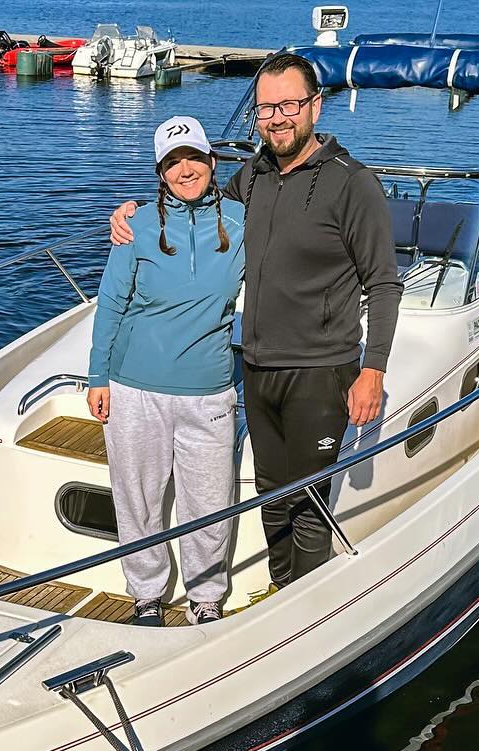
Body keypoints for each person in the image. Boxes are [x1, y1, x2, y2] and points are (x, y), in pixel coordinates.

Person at [111, 52, 401, 595]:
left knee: (309, 502)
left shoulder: (352, 184)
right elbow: (193, 203)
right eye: (265, 108)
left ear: (315, 106)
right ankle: (278, 596)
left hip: (321, 370)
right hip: (259, 366)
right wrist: (132, 213)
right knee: (272, 497)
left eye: (289, 104)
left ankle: (303, 618)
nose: (276, 117)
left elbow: (383, 283)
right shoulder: (254, 176)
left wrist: (374, 370)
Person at [88, 115, 246, 626]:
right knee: (137, 498)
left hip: (210, 392)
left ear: (211, 162)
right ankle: (148, 595)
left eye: (193, 158)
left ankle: (205, 598)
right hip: (134, 389)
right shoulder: (136, 224)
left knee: (209, 501)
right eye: (172, 162)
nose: (184, 169)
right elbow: (111, 303)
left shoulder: (244, 222)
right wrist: (97, 378)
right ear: (160, 173)